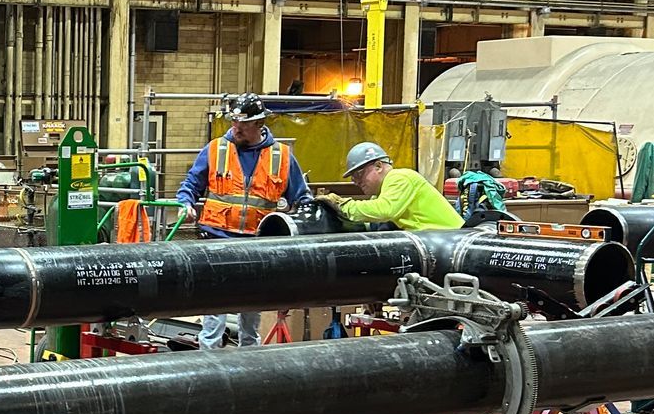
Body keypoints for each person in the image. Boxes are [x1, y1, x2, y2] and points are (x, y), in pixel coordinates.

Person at [175, 93, 311, 347]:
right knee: (214, 306)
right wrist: (185, 202)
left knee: (251, 309)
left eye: (242, 124)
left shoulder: (281, 157)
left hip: (256, 245)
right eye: (233, 122)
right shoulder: (216, 149)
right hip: (216, 241)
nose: (235, 128)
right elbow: (191, 184)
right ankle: (208, 361)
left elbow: (303, 199)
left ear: (259, 123)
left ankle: (249, 363)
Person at [320, 141, 463, 230]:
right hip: (436, 240)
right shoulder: (381, 193)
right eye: (353, 178)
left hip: (451, 240)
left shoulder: (400, 177)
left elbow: (385, 210)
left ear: (378, 166)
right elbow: (371, 223)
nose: (356, 182)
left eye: (359, 174)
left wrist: (343, 205)